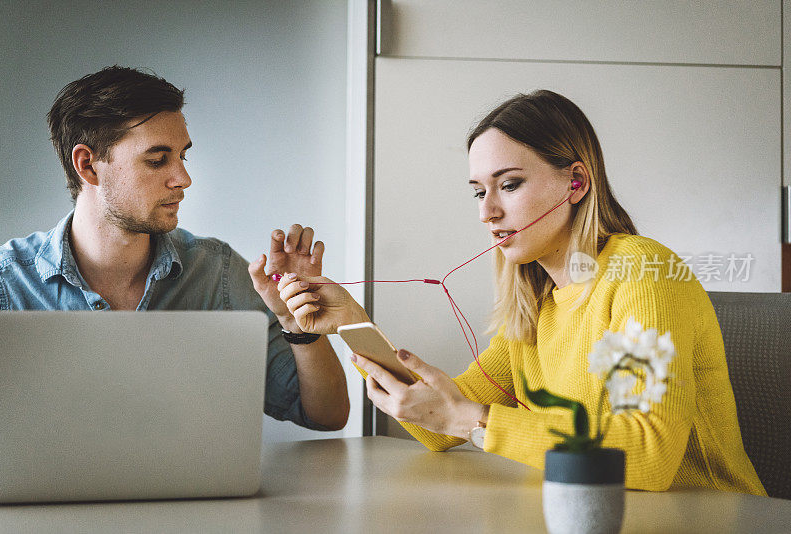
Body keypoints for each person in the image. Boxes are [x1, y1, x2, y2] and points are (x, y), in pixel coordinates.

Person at [274, 90, 766, 494]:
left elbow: (648, 457)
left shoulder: (641, 272)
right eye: (477, 191)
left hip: (705, 519)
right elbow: (435, 421)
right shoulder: (539, 302)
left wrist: (476, 422)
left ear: (576, 182)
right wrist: (349, 321)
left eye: (508, 185)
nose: (486, 212)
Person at [0, 66, 348, 432]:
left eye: (183, 156)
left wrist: (296, 324)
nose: (184, 179)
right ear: (88, 166)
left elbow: (327, 415)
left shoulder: (217, 274)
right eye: (157, 159)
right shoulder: (1, 286)